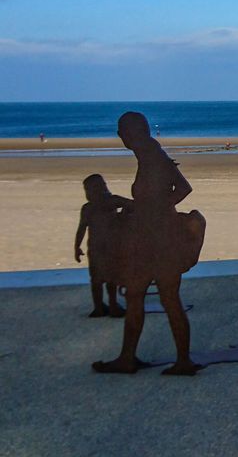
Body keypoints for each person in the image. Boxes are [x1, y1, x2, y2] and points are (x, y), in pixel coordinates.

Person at [92, 111, 204, 376]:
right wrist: (147, 208)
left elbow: (182, 189)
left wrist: (148, 210)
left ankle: (130, 359)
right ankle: (177, 360)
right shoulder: (152, 154)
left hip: (152, 242)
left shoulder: (151, 156)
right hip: (161, 236)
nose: (120, 136)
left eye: (123, 131)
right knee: (164, 298)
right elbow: (176, 190)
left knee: (137, 296)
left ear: (133, 133)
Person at [74, 174, 131, 318]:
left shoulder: (88, 208)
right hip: (109, 247)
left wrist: (77, 247)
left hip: (95, 248)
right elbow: (134, 205)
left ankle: (99, 307)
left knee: (96, 279)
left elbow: (81, 229)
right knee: (110, 278)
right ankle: (112, 306)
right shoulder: (111, 201)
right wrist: (123, 216)